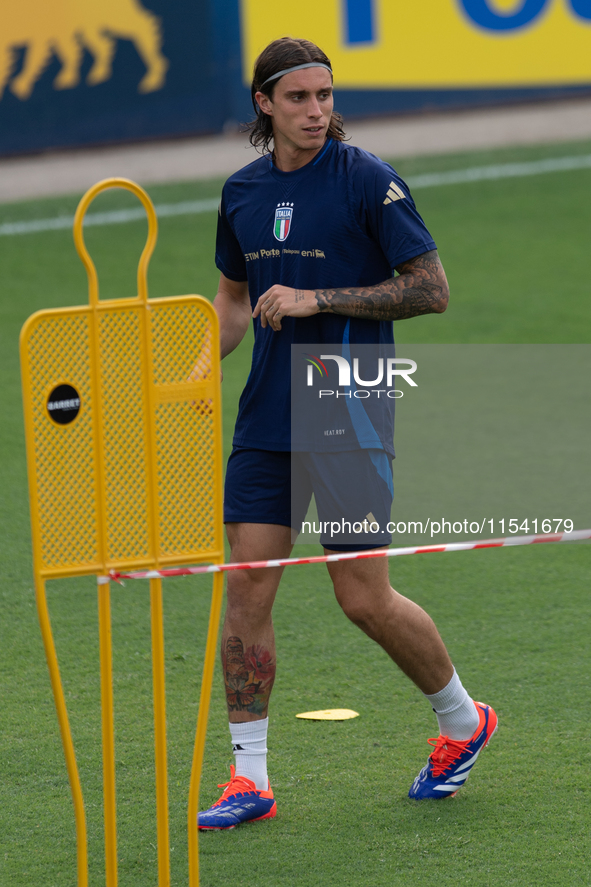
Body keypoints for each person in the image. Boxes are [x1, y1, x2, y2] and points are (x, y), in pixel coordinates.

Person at [197, 37, 497, 829]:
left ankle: (464, 720)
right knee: (247, 589)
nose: (316, 110)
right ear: (265, 103)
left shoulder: (366, 177)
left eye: (324, 95)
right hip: (266, 415)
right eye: (298, 98)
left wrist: (315, 298)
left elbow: (429, 290)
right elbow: (233, 298)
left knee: (361, 596)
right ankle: (249, 777)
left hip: (348, 406)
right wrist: (199, 365)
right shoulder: (241, 192)